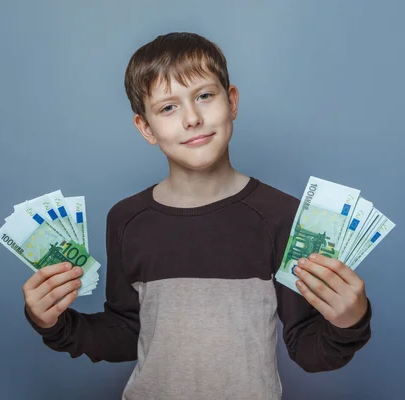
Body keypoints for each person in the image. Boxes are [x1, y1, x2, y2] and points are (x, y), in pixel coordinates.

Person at [22, 32, 372, 400]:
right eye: (168, 107)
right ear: (146, 127)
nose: (191, 118)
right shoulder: (126, 219)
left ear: (232, 101)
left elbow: (307, 349)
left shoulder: (282, 216)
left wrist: (351, 321)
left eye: (204, 96)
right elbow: (127, 334)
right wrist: (54, 323)